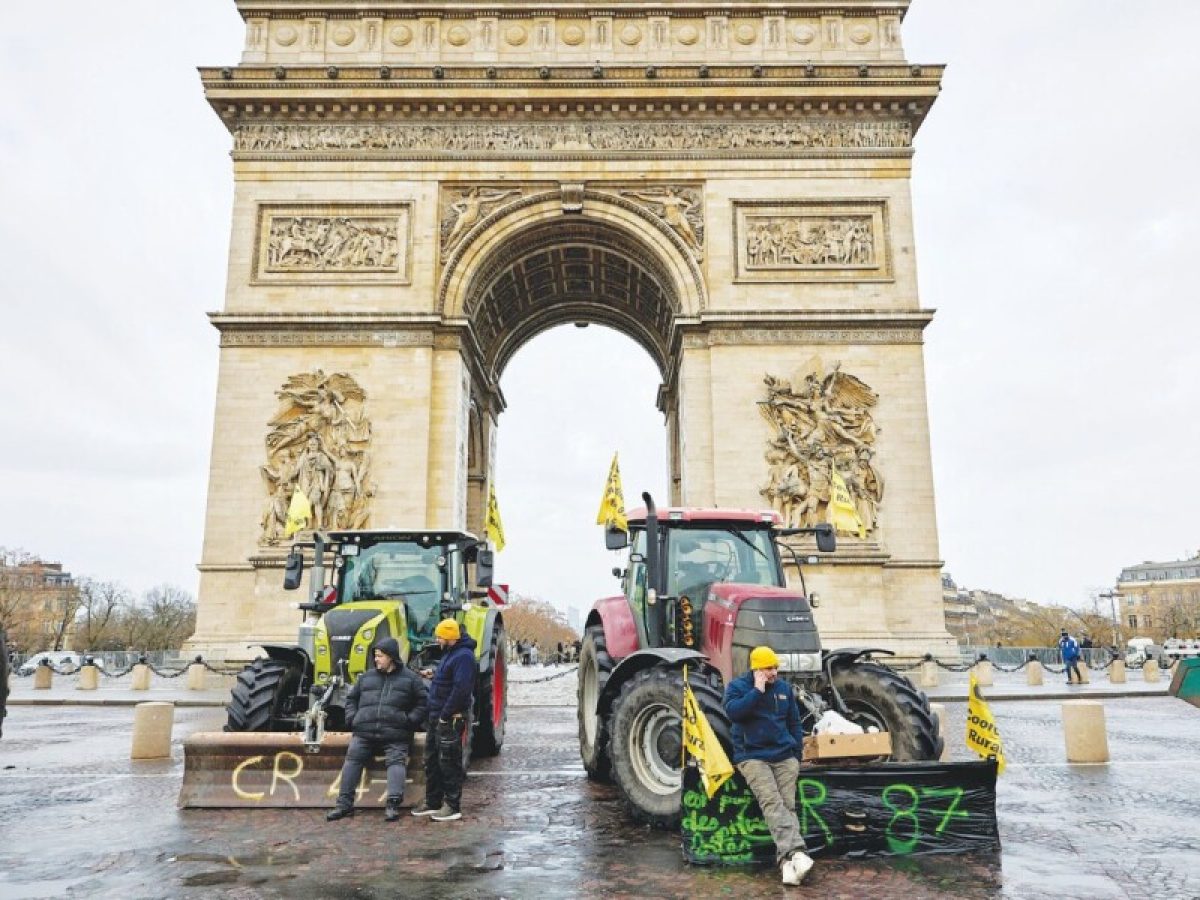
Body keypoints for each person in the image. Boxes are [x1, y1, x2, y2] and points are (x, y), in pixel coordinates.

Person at [724, 646, 814, 886]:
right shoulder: (737, 688)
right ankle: (797, 852)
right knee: (772, 803)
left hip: (784, 756)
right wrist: (757, 691)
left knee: (787, 806)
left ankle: (786, 865)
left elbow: (794, 722)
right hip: (752, 756)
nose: (774, 672)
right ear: (756, 669)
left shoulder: (784, 689)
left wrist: (796, 753)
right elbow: (734, 713)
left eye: (775, 667)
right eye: (768, 668)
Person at [327, 637, 428, 822]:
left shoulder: (411, 679)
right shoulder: (366, 677)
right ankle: (344, 804)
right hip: (364, 731)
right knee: (352, 760)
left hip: (396, 732)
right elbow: (351, 699)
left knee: (396, 761)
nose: (376, 659)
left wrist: (408, 721)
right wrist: (353, 719)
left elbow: (422, 703)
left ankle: (392, 804)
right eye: (375, 656)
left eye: (380, 656)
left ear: (391, 657)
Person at [412, 619, 477, 822]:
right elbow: (449, 679)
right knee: (431, 760)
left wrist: (445, 715)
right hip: (436, 715)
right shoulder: (451, 653)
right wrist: (434, 674)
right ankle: (433, 801)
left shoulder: (464, 657)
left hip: (449, 718)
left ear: (449, 638)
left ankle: (452, 805)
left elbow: (461, 689)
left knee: (448, 761)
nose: (437, 640)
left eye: (440, 636)